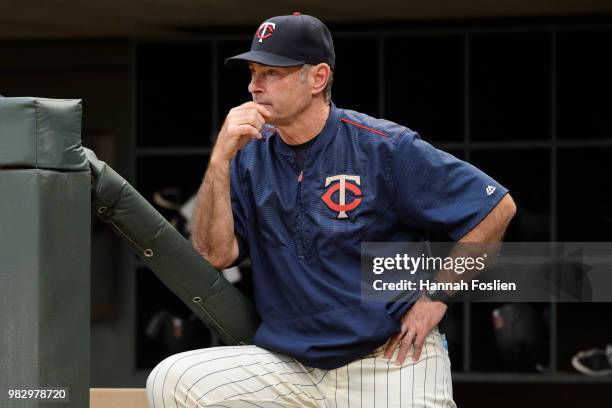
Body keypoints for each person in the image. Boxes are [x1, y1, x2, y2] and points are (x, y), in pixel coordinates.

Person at [146, 13, 516, 408]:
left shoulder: (382, 146)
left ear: (318, 78)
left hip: (389, 358)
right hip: (291, 366)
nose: (254, 86)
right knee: (172, 380)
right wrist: (220, 158)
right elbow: (214, 254)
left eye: (272, 72)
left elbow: (495, 208)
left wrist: (436, 297)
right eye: (253, 72)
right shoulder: (247, 155)